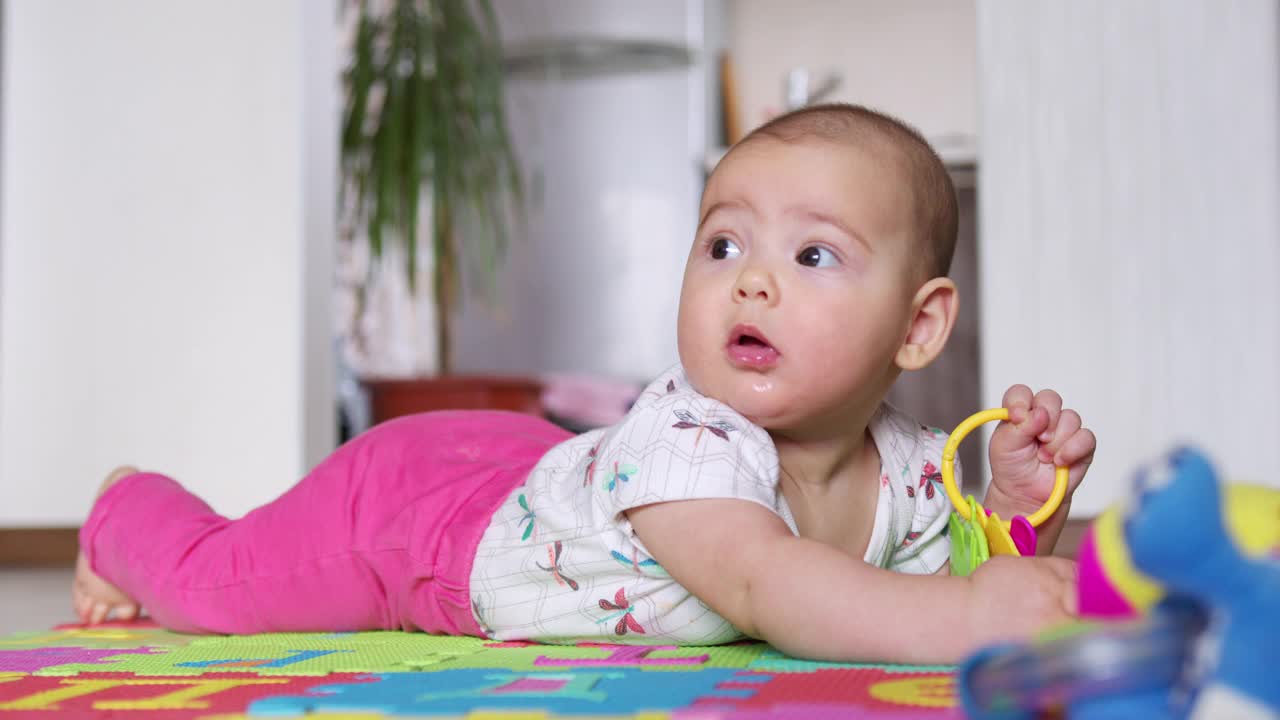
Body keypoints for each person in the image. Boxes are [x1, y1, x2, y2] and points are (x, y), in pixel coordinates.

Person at [73, 103, 1096, 665]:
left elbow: (944, 574)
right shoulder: (692, 442)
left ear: (917, 328)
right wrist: (966, 627)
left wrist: (1014, 517)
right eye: (723, 240)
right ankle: (125, 509)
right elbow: (768, 586)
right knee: (215, 586)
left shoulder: (910, 467)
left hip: (548, 475)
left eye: (812, 257)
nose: (749, 277)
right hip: (425, 522)